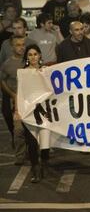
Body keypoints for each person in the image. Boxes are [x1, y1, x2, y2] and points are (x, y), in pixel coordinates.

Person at [16, 45, 50, 183]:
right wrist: (17, 110)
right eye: (30, 55)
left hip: (45, 112)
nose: (33, 57)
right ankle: (35, 169)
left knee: (45, 141)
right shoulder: (23, 73)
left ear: (40, 55)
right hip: (29, 111)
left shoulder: (47, 71)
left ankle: (44, 165)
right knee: (31, 142)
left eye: (35, 54)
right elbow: (20, 93)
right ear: (27, 58)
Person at [0, 35, 25, 164]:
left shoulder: (29, 61)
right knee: (18, 130)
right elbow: (2, 80)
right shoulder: (7, 64)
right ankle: (20, 156)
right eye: (18, 45)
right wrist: (12, 94)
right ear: (12, 47)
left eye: (23, 44)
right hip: (16, 103)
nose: (21, 48)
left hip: (29, 101)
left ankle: (34, 154)